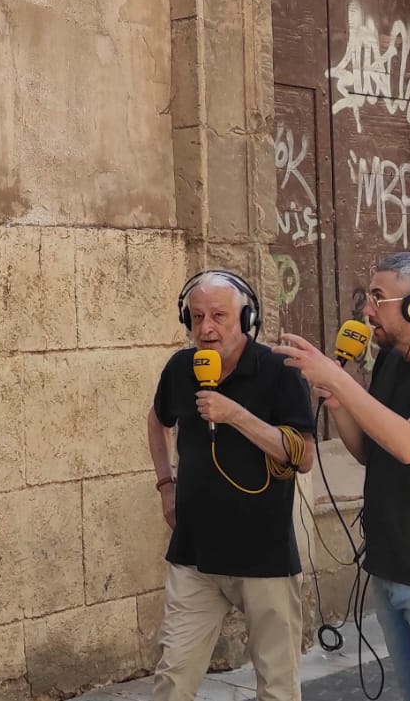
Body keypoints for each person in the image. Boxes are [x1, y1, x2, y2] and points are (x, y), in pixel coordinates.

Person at [277, 251, 410, 701]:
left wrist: (342, 385)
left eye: (379, 298)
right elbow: (370, 452)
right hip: (390, 566)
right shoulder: (391, 363)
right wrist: (338, 401)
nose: (367, 310)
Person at [146, 269, 317, 701]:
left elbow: (304, 455)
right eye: (198, 316)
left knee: (278, 686)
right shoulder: (182, 368)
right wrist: (166, 484)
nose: (206, 328)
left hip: (265, 556)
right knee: (172, 678)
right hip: (195, 554)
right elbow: (157, 419)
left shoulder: (278, 370)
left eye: (219, 315)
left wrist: (235, 415)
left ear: (246, 318)